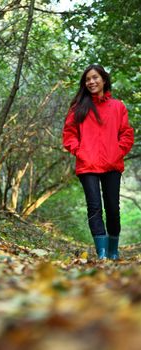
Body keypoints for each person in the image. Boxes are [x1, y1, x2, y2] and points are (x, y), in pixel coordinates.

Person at [62, 64, 134, 260]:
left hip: (112, 164)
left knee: (112, 207)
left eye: (95, 78)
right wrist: (80, 151)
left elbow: (127, 133)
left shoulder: (118, 106)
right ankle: (101, 253)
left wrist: (118, 152)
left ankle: (113, 250)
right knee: (94, 207)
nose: (91, 82)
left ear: (103, 79)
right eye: (87, 80)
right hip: (87, 165)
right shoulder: (78, 108)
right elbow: (69, 134)